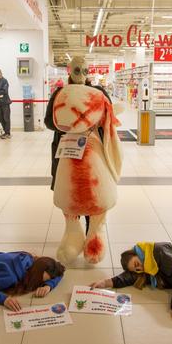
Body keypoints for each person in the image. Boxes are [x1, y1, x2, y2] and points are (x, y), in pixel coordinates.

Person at [44, 56, 111, 234]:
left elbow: (108, 119)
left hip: (92, 151)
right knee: (70, 193)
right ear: (70, 71)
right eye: (77, 70)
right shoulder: (60, 93)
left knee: (92, 191)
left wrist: (91, 123)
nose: (81, 75)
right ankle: (74, 234)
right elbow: (49, 121)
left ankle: (92, 233)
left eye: (85, 71)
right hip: (68, 149)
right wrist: (69, 125)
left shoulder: (98, 93)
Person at [0, 68, 12, 139]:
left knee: (6, 118)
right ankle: (5, 131)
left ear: (1, 73)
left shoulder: (5, 81)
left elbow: (4, 91)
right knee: (0, 118)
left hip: (5, 102)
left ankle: (8, 133)